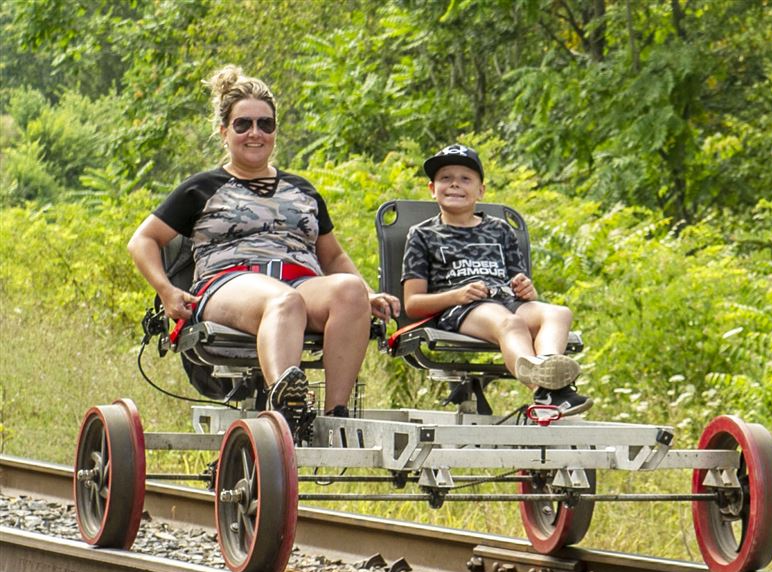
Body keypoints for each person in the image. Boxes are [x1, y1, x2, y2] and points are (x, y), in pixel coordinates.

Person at [127, 65, 400, 432]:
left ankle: (335, 419)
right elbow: (143, 240)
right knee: (283, 301)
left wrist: (368, 292)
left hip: (300, 280)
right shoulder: (203, 187)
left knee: (349, 292)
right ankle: (285, 410)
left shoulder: (302, 190)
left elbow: (332, 256)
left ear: (274, 132)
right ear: (225, 132)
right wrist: (167, 290)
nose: (255, 133)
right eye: (243, 124)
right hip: (229, 283)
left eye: (265, 124)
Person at [401, 144, 591, 415]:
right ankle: (545, 388)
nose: (455, 184)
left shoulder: (499, 230)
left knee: (559, 313)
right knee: (510, 323)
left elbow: (519, 282)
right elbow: (413, 303)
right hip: (462, 308)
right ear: (432, 188)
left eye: (465, 179)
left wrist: (526, 288)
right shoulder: (423, 234)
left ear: (481, 191)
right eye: (446, 178)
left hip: (506, 300)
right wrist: (457, 295)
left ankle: (549, 371)